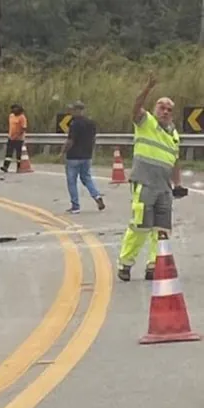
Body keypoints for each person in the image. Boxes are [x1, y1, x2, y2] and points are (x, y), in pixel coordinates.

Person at [117, 73, 186, 282]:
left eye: (169, 110)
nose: (165, 112)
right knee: (140, 226)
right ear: (155, 109)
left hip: (164, 188)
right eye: (161, 107)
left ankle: (154, 265)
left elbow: (174, 161)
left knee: (162, 230)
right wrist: (147, 88)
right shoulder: (146, 122)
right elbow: (136, 107)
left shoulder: (173, 134)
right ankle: (126, 263)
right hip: (145, 184)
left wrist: (178, 184)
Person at [59, 101, 105, 214]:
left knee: (72, 181)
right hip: (86, 156)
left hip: (73, 156)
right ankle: (97, 196)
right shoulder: (91, 123)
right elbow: (93, 139)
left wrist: (62, 152)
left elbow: (70, 141)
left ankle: (75, 206)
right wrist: (91, 151)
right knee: (86, 178)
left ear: (76, 110)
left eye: (73, 110)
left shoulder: (74, 124)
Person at [0, 104, 27, 172]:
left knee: (18, 154)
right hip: (11, 138)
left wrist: (17, 136)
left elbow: (23, 128)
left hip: (19, 139)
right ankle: (5, 166)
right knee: (8, 153)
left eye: (15, 109)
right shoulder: (11, 116)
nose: (13, 110)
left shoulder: (22, 117)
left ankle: (19, 167)